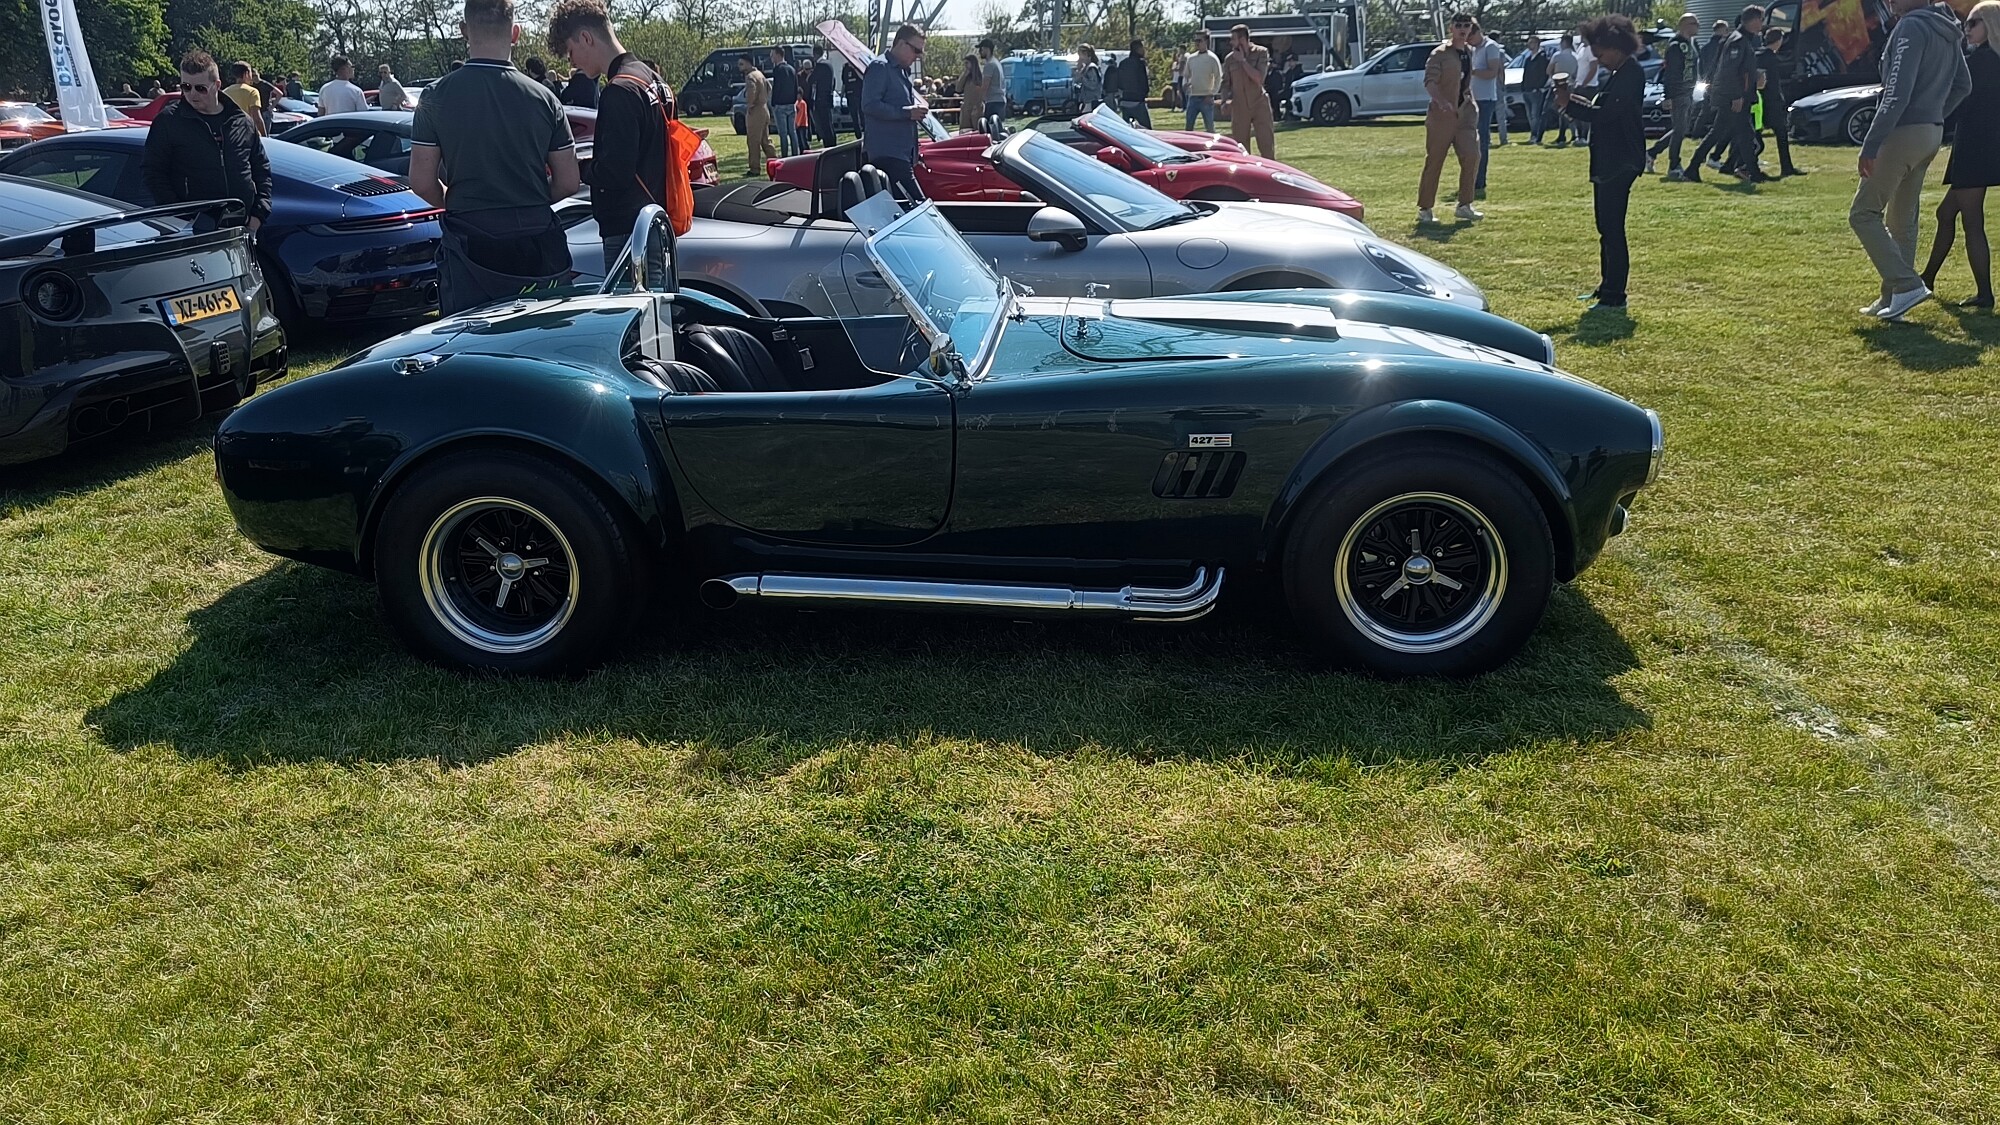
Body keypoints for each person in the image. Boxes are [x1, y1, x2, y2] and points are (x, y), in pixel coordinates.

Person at [409, 0, 579, 315]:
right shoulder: (546, 99)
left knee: (470, 337)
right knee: (540, 333)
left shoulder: (436, 96)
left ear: (464, 31)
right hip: (536, 241)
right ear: (515, 33)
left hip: (470, 243)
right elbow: (569, 182)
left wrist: (455, 200)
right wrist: (530, 199)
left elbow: (421, 182)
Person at [1852, 0, 1973, 318]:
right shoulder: (1948, 29)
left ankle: (1906, 285)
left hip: (1903, 132)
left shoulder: (1911, 26)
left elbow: (1896, 93)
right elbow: (1963, 85)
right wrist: (1934, 115)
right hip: (1930, 132)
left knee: (1863, 214)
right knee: (1901, 220)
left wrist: (1871, 143)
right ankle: (1893, 299)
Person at [547, 0, 668, 267]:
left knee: (632, 296)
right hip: (657, 221)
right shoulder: (653, 80)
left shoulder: (618, 91)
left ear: (585, 38)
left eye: (570, 52)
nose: (572, 62)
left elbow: (615, 172)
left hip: (628, 233)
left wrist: (578, 168)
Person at [1559, 14, 1646, 310]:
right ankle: (1607, 284)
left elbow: (1608, 115)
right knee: (1605, 227)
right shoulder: (1619, 73)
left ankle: (1615, 294)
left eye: (1601, 53)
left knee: (1612, 228)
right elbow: (1604, 108)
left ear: (1617, 47)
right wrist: (1574, 101)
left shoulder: (1631, 73)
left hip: (1620, 160)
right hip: (1610, 159)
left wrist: (1570, 106)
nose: (1598, 59)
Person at [143, 51, 272, 240]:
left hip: (240, 230)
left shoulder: (241, 121)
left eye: (200, 88)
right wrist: (180, 217)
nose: (192, 94)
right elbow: (153, 172)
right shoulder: (169, 121)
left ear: (217, 85)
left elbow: (262, 170)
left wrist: (258, 216)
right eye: (186, 87)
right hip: (191, 233)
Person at [1920, 0, 1998, 307]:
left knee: (1972, 220)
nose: (1966, 28)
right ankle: (1926, 279)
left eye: (1973, 23)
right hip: (1981, 144)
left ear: (1990, 26)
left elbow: (1960, 99)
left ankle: (1984, 293)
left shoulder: (1980, 61)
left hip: (1975, 145)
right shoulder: (1989, 59)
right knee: (1946, 213)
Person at [1686, 7, 1765, 182]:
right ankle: (1693, 168)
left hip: (1736, 96)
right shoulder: (1738, 40)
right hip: (1733, 98)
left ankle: (1753, 172)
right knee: (1733, 134)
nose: (1762, 24)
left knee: (1739, 135)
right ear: (1753, 20)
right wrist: (1736, 96)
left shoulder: (1741, 39)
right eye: (1761, 20)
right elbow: (1729, 70)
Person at [1418, 13, 1482, 224]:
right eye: (1459, 25)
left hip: (1465, 114)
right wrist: (1441, 102)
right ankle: (1425, 209)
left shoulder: (1469, 52)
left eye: (1467, 25)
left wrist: (1470, 103)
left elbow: (1465, 82)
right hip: (1442, 116)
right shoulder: (1439, 54)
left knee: (1472, 155)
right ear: (1451, 28)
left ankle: (1464, 205)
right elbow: (1429, 82)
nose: (1463, 29)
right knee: (1435, 160)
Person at [860, 24, 929, 201]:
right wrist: (907, 113)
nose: (918, 56)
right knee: (918, 206)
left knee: (907, 208)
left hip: (900, 154)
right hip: (887, 154)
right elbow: (869, 105)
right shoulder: (880, 67)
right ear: (901, 43)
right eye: (916, 50)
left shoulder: (901, 71)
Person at [1647, 15, 1701, 178]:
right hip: (1677, 92)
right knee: (1679, 130)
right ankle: (1674, 166)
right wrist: (1668, 96)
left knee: (1682, 129)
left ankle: (1651, 152)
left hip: (1689, 91)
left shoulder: (1693, 44)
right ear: (1683, 25)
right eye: (1694, 23)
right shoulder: (1675, 46)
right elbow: (1670, 73)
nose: (1697, 26)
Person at [1469, 21, 1506, 197]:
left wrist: (1472, 71)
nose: (1468, 40)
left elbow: (1492, 72)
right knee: (1471, 140)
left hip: (1485, 99)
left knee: (1482, 140)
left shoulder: (1491, 47)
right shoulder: (1473, 49)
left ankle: (1480, 179)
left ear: (1478, 32)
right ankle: (1472, 176)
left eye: (1470, 36)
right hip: (1473, 98)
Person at [1225, 24, 1273, 158]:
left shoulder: (1261, 52)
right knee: (1241, 149)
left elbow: (1259, 78)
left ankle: (1269, 170)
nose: (1230, 42)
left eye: (1233, 39)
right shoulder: (1229, 59)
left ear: (1242, 39)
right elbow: (1226, 83)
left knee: (1266, 145)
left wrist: (1243, 61)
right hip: (1239, 106)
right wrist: (1224, 100)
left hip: (1259, 103)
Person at [738, 55, 772, 176]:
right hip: (764, 108)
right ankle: (776, 162)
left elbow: (751, 92)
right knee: (765, 140)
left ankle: (754, 168)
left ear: (748, 63)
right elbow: (769, 88)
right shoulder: (760, 74)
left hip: (756, 110)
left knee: (753, 140)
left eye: (741, 64)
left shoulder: (750, 77)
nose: (739, 67)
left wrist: (750, 104)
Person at [764, 47, 799, 159]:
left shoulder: (778, 70)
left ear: (778, 55)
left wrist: (773, 102)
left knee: (783, 134)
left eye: (772, 55)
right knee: (792, 132)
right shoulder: (792, 69)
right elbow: (796, 86)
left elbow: (776, 87)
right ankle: (796, 154)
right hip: (791, 104)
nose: (771, 58)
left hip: (780, 105)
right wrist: (794, 100)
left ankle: (785, 156)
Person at [1182, 32, 1221, 132]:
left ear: (1206, 41)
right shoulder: (1191, 58)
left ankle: (1213, 142)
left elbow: (1218, 77)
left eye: (1199, 40)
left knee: (1209, 127)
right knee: (1188, 127)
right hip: (1193, 97)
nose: (1197, 43)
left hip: (1206, 98)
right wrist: (1185, 85)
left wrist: (1212, 93)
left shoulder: (1212, 58)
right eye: (1195, 40)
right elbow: (1186, 75)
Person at [1547, 34, 1576, 145]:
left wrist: (1553, 78)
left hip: (1559, 86)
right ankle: (1573, 134)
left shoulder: (1557, 56)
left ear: (1564, 43)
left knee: (1560, 111)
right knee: (1570, 110)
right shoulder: (1576, 56)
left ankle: (1562, 135)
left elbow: (1548, 70)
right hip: (1571, 85)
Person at [223, 61, 266, 136]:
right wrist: (265, 136)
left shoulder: (225, 92)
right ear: (246, 74)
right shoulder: (252, 92)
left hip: (231, 133)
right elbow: (257, 118)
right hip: (248, 133)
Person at [808, 45, 838, 148]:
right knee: (829, 123)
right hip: (828, 98)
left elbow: (810, 79)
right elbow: (833, 81)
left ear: (815, 54)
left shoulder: (820, 65)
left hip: (821, 99)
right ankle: (833, 144)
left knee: (824, 125)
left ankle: (828, 145)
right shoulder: (829, 64)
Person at [1116, 40, 1151, 126]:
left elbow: (1119, 81)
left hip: (1125, 100)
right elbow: (1143, 82)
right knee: (1147, 129)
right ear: (1138, 49)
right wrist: (1145, 93)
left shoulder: (1123, 63)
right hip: (1137, 101)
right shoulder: (1140, 64)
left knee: (1126, 129)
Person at [1522, 36, 1550, 143]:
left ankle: (1536, 135)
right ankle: (1532, 134)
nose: (1529, 45)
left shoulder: (1542, 57)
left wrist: (1540, 87)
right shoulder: (1528, 58)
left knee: (1535, 115)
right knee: (1529, 115)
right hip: (1527, 90)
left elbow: (1544, 74)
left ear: (1537, 44)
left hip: (1536, 91)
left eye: (1531, 42)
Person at [978, 39, 1007, 123]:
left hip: (993, 102)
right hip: (1000, 100)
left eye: (981, 49)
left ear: (987, 49)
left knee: (990, 127)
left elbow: (985, 85)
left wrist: (980, 101)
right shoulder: (997, 62)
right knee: (998, 126)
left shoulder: (989, 65)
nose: (980, 52)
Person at [956, 52, 985, 127]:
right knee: (965, 129)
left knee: (977, 128)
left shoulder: (981, 76)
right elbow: (958, 89)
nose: (965, 65)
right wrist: (964, 75)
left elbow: (983, 92)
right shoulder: (966, 76)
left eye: (967, 63)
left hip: (977, 108)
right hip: (966, 108)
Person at [1074, 44, 1104, 112]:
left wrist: (1082, 77)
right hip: (1086, 101)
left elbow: (1092, 85)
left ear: (1085, 54)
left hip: (1092, 101)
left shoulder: (1091, 68)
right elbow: (1076, 80)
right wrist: (1079, 69)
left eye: (1080, 55)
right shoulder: (1085, 67)